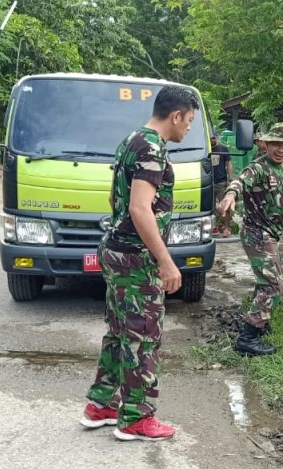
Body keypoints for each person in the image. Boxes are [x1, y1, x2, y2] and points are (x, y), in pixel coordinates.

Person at [81, 86, 199, 441]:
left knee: (119, 332)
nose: (189, 129)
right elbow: (139, 208)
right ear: (175, 115)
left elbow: (116, 197)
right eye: (189, 121)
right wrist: (166, 261)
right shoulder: (151, 148)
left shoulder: (132, 139)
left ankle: (102, 405)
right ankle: (135, 418)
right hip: (135, 257)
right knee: (143, 336)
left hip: (117, 249)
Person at [218, 123, 283, 356]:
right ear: (265, 144)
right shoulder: (259, 168)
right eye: (276, 144)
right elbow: (239, 181)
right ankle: (248, 337)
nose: (280, 150)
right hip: (257, 233)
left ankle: (260, 321)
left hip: (272, 235)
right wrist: (230, 195)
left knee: (267, 281)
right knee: (272, 285)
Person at [211, 130, 233, 237]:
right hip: (209, 182)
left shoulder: (223, 149)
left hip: (221, 182)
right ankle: (213, 227)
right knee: (209, 207)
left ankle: (226, 227)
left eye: (214, 138)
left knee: (225, 206)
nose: (212, 140)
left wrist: (230, 179)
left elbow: (228, 164)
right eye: (210, 138)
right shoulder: (206, 149)